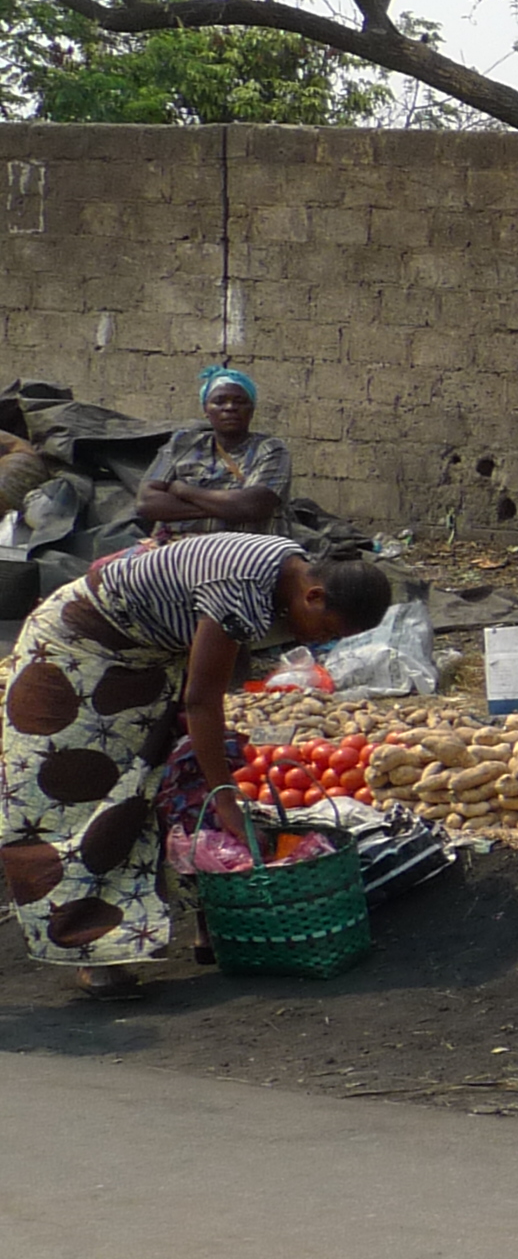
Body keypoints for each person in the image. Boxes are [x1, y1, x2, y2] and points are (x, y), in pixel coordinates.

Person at [2, 532, 389, 984]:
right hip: (78, 649)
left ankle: (212, 927)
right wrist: (226, 796)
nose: (319, 640)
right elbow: (202, 700)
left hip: (148, 654)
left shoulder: (290, 564)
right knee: (83, 787)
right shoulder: (240, 593)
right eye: (325, 630)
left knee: (181, 768)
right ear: (315, 595)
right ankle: (92, 947)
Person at [134, 367, 290, 541]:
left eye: (240, 401)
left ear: (251, 409)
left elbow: (251, 506)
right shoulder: (182, 444)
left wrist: (183, 490)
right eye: (219, 401)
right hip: (176, 546)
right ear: (205, 409)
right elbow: (146, 503)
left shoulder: (270, 449)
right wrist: (228, 507)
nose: (230, 407)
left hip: (244, 549)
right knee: (106, 567)